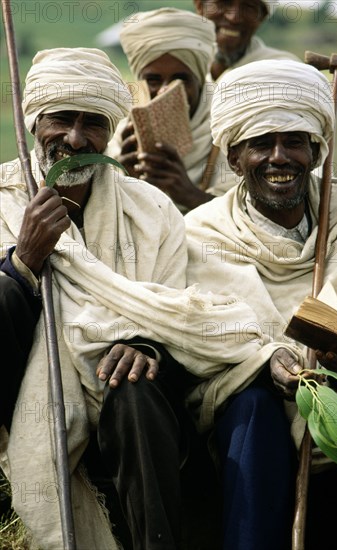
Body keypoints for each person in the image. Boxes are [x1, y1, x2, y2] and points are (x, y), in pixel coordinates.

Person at [0, 47, 269, 549]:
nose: (76, 139)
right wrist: (23, 264)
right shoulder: (3, 200)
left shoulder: (149, 210)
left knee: (136, 388)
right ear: (35, 122)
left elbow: (170, 313)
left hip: (130, 401)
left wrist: (145, 347)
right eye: (62, 119)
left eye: (93, 123)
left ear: (110, 131)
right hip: (22, 393)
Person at [184, 60, 337, 550]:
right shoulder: (201, 234)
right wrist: (266, 361)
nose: (280, 157)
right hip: (251, 408)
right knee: (253, 407)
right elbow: (197, 334)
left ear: (316, 150)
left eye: (295, 141)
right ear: (235, 156)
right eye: (262, 143)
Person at [107, 8, 238, 213]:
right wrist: (126, 181)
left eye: (181, 79)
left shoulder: (229, 132)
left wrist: (188, 193)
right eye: (153, 80)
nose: (165, 90)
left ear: (200, 84)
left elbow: (245, 221)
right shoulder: (119, 136)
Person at [194, 0, 299, 80]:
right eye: (224, 2)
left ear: (262, 17)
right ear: (200, 5)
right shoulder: (182, 62)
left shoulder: (282, 71)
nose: (233, 17)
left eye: (248, 6)